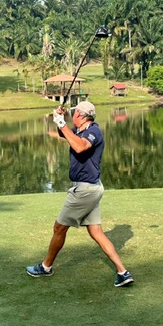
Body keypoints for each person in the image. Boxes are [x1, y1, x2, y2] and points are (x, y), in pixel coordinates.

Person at [26, 100, 134, 287]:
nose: (73, 115)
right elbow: (66, 135)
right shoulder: (79, 130)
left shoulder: (94, 131)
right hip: (91, 188)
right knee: (96, 232)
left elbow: (80, 147)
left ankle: (46, 267)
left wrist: (62, 123)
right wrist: (60, 120)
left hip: (84, 190)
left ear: (82, 116)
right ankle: (123, 273)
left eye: (74, 113)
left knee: (59, 228)